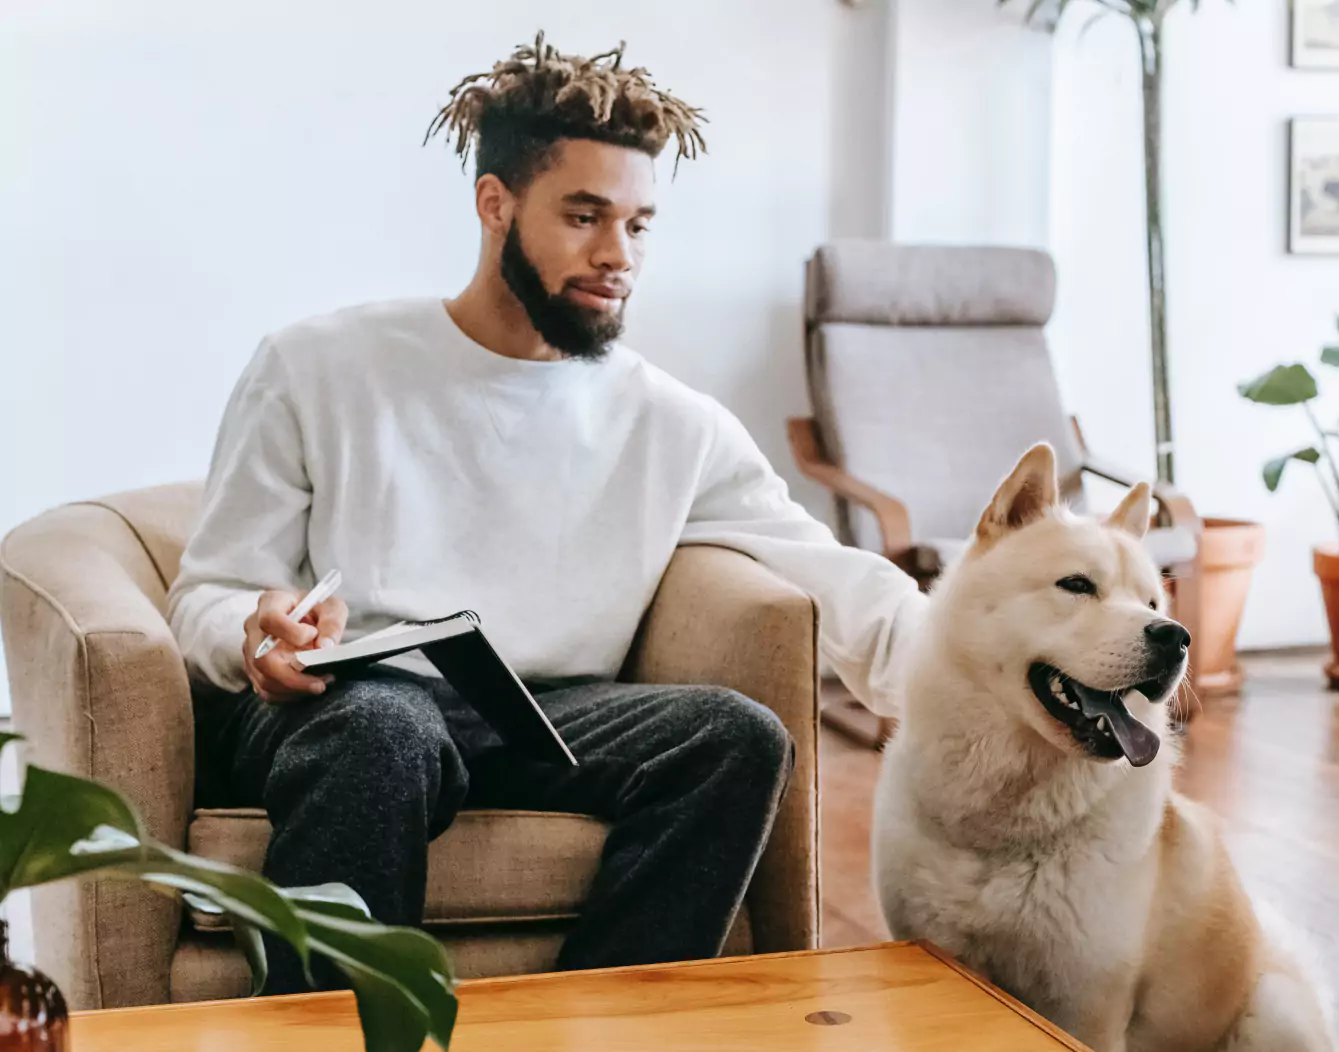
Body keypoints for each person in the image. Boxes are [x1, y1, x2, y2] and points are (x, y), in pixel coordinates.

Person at [168, 33, 925, 994]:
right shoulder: (317, 367)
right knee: (384, 729)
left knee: (737, 736)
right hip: (351, 706)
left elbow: (829, 572)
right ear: (496, 204)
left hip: (547, 718)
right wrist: (256, 634)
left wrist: (998, 674)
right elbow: (211, 588)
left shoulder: (670, 421)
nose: (618, 256)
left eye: (639, 225)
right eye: (584, 215)